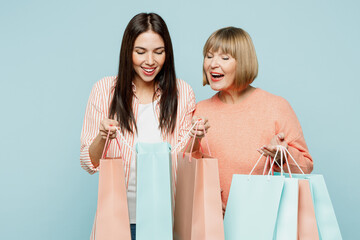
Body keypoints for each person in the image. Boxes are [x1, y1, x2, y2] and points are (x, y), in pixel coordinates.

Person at [80, 13, 196, 240]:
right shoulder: (104, 91)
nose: (150, 61)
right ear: (127, 52)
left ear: (167, 53)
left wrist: (197, 136)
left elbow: (187, 159)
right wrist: (103, 136)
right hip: (117, 221)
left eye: (159, 52)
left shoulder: (182, 93)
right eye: (140, 52)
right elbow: (88, 162)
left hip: (166, 221)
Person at [192, 27, 313, 214]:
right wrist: (206, 198)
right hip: (210, 224)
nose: (213, 64)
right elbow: (186, 167)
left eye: (225, 58)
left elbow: (305, 166)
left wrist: (282, 156)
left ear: (243, 62)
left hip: (260, 221)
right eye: (209, 56)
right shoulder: (199, 111)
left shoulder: (276, 107)